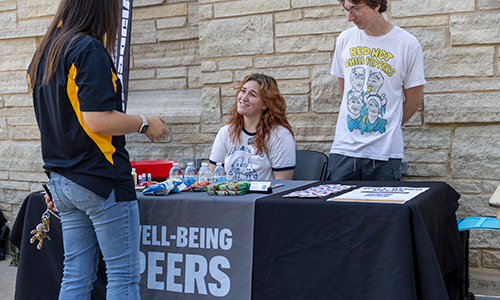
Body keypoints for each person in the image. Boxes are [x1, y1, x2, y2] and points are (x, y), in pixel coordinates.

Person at [28, 0, 169, 299]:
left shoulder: (44, 54)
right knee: (123, 278)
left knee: (77, 274)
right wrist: (145, 123)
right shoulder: (87, 49)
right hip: (99, 180)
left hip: (64, 181)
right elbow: (97, 120)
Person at [327, 0, 425, 181]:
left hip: (384, 155)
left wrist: (388, 125)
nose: (350, 17)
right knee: (337, 208)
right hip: (343, 151)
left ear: (376, 4)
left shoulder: (407, 44)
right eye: (347, 10)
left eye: (356, 9)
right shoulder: (345, 39)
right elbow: (345, 93)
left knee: (383, 209)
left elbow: (414, 102)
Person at [209, 73, 296, 181]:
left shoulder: (280, 135)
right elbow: (211, 176)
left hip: (261, 197)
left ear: (265, 104)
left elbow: (283, 185)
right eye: (243, 91)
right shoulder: (226, 132)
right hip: (229, 197)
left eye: (252, 95)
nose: (244, 98)